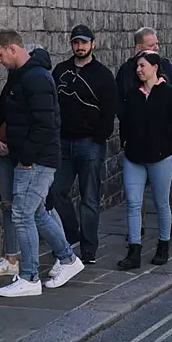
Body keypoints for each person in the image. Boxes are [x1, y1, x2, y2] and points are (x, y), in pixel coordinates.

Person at [0, 30, 83, 297]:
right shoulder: (22, 76)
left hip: (37, 160)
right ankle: (67, 259)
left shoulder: (36, 77)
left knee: (21, 214)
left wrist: (27, 159)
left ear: (13, 49)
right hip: (32, 158)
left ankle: (30, 278)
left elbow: (46, 124)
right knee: (37, 213)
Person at [49, 25, 117, 264]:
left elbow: (109, 112)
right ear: (71, 44)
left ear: (93, 44)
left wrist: (98, 138)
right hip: (63, 143)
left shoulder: (103, 75)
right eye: (76, 42)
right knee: (56, 192)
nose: (80, 46)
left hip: (90, 144)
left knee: (89, 198)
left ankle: (89, 249)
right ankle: (71, 236)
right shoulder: (60, 71)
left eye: (84, 42)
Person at [117, 52, 172, 269]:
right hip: (134, 158)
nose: (139, 70)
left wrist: (168, 147)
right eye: (137, 66)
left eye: (143, 65)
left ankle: (163, 245)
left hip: (160, 158)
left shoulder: (169, 94)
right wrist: (125, 143)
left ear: (155, 67)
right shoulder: (133, 94)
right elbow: (125, 122)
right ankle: (134, 251)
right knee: (133, 203)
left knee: (161, 203)